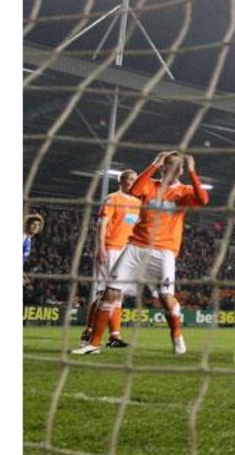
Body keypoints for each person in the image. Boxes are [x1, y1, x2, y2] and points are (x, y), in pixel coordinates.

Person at [72, 151, 209, 355]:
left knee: (165, 298)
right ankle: (94, 344)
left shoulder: (184, 191)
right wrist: (154, 164)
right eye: (169, 165)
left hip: (164, 250)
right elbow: (135, 190)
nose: (173, 169)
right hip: (136, 246)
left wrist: (193, 172)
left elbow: (203, 200)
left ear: (181, 170)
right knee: (110, 292)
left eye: (177, 167)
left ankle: (176, 333)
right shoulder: (150, 185)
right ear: (164, 167)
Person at [79, 169, 141, 348]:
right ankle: (89, 331)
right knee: (104, 293)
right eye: (130, 179)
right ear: (121, 181)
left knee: (118, 294)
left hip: (125, 251)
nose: (133, 182)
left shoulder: (138, 203)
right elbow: (103, 224)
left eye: (135, 180)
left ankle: (114, 336)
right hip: (110, 248)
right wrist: (100, 247)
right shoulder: (112, 199)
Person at [23, 214, 45, 286]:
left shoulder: (28, 240)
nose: (36, 226)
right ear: (28, 225)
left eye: (38, 225)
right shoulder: (23, 237)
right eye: (34, 224)